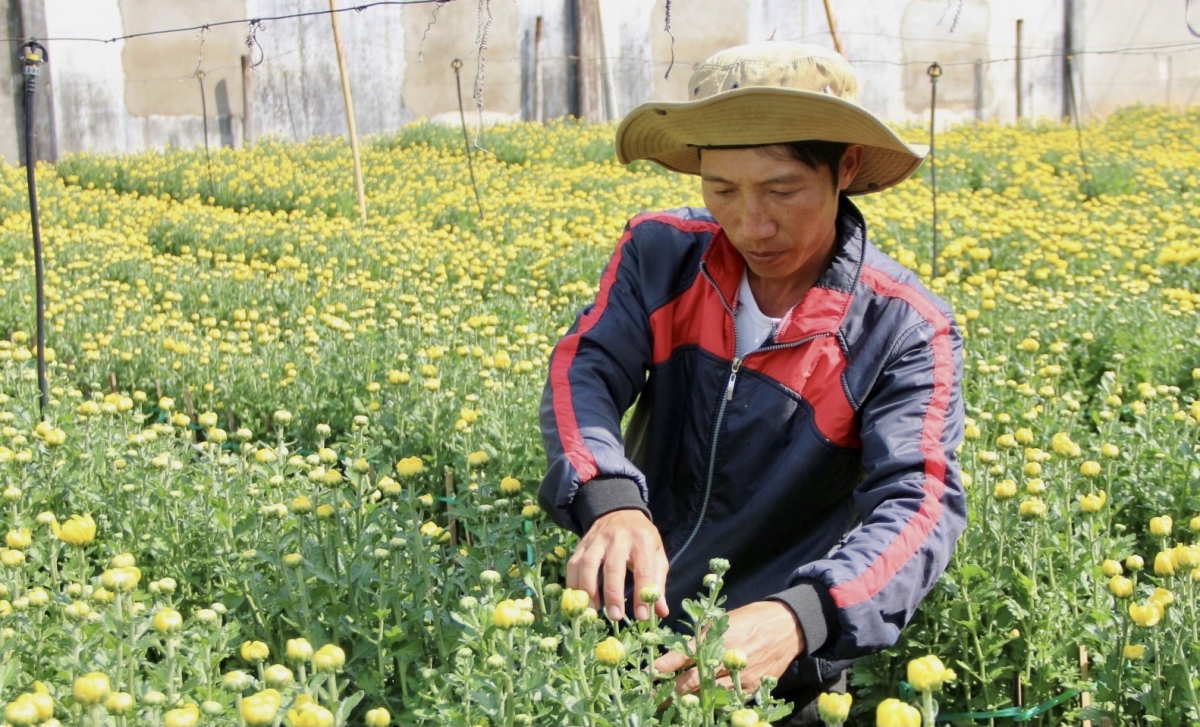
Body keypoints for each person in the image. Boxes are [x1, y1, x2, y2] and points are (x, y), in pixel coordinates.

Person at [538, 41, 967, 724]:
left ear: (845, 166)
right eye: (722, 190)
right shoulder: (658, 254)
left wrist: (803, 614)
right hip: (622, 633)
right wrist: (611, 498)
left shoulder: (903, 329)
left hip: (776, 671)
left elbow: (920, 505)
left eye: (782, 189)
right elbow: (583, 369)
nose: (750, 224)